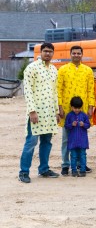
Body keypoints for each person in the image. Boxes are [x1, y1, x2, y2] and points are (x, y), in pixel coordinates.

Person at [19, 43, 60, 183]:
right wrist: (32, 111)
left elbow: (55, 92)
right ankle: (23, 172)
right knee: (31, 142)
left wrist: (56, 112)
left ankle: (44, 169)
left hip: (49, 113)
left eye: (50, 52)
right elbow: (28, 91)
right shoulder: (32, 68)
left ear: (53, 53)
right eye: (45, 51)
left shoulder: (54, 69)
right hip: (36, 112)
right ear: (41, 52)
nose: (48, 54)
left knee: (47, 142)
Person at [56, 45, 95, 175]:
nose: (76, 55)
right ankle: (66, 164)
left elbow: (91, 89)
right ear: (70, 54)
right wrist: (60, 107)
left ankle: (80, 163)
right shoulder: (63, 69)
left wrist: (91, 107)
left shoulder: (88, 70)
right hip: (68, 109)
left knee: (81, 137)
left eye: (79, 53)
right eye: (74, 53)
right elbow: (59, 89)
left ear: (82, 55)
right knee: (67, 138)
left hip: (82, 110)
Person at [64, 96, 91, 177]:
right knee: (73, 156)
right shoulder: (69, 115)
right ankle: (74, 170)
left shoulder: (84, 115)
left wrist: (84, 125)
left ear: (81, 107)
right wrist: (71, 124)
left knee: (83, 155)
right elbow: (66, 126)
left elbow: (88, 125)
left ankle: (83, 170)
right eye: (75, 108)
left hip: (82, 140)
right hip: (73, 141)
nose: (77, 110)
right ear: (71, 107)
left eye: (79, 108)